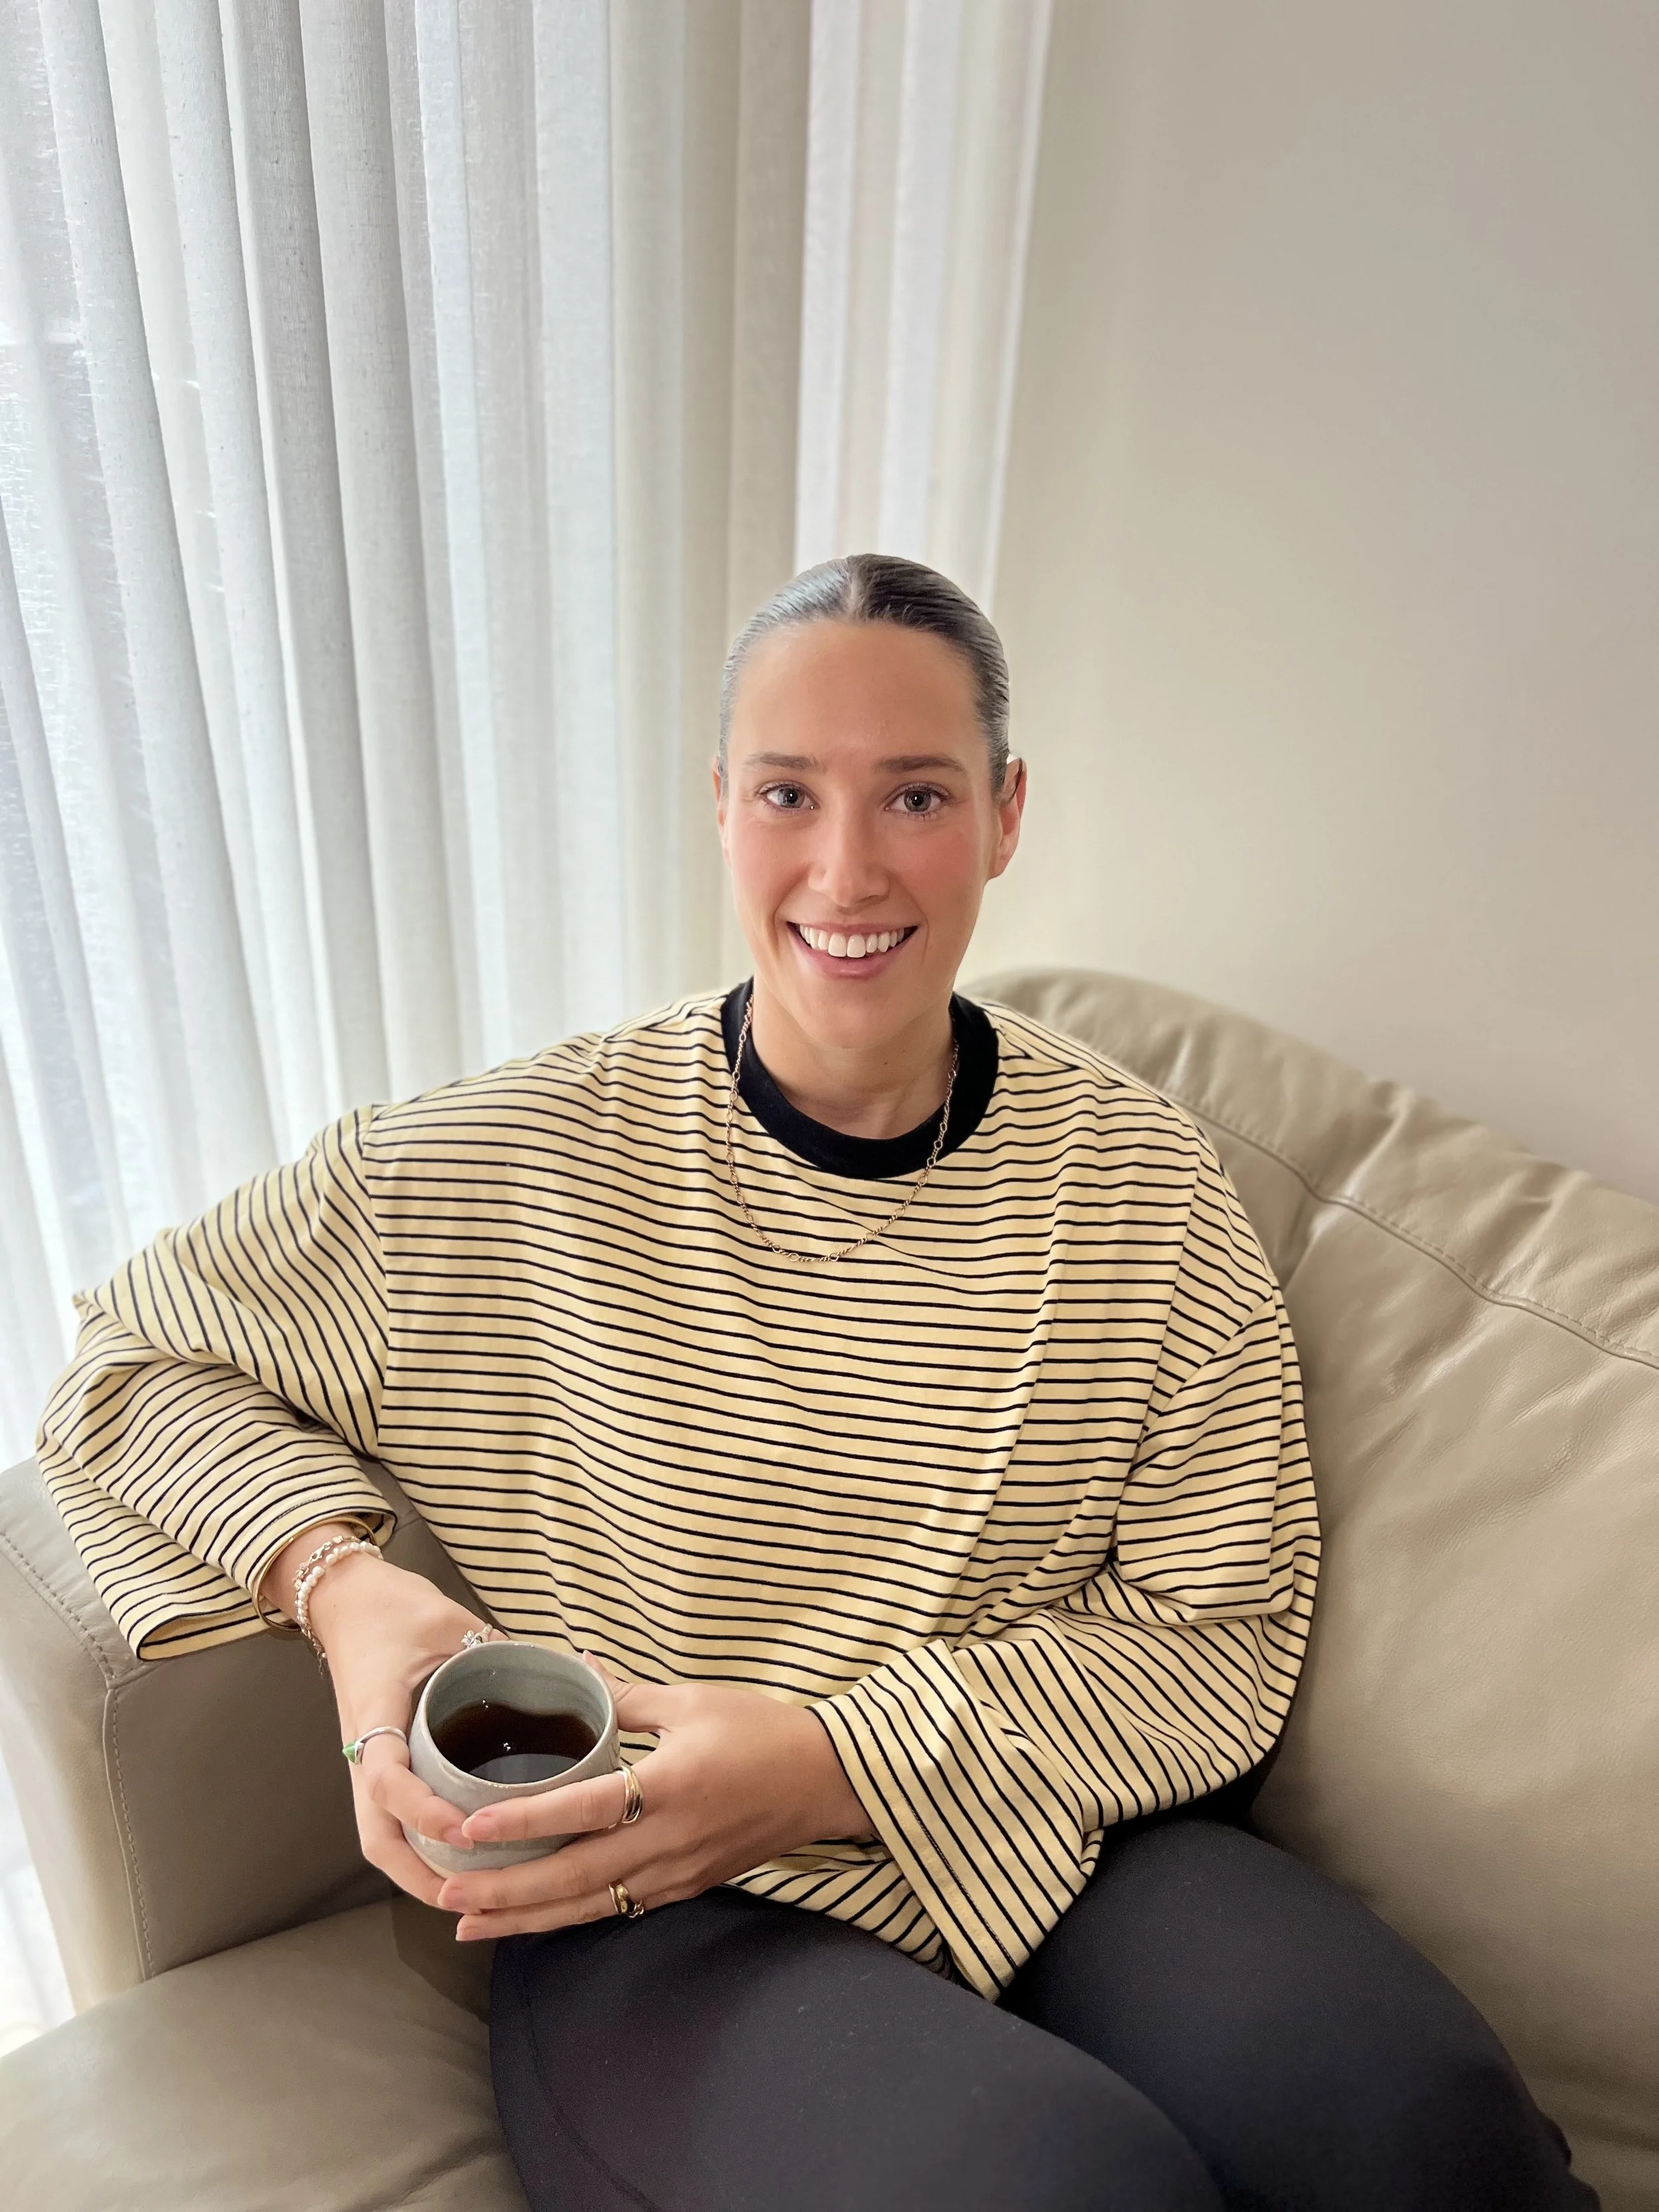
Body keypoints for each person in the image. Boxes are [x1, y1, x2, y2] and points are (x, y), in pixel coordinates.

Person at [38, 556, 1595, 2211]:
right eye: (788, 791)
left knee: (1427, 2128)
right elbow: (134, 1354)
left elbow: (1221, 1626)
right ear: (721, 808)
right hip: (658, 1898)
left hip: (1059, 1827)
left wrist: (836, 1753)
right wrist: (349, 1598)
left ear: (1002, 815)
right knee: (1055, 2187)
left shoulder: (1140, 1181)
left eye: (914, 794)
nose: (845, 867)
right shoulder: (517, 1158)